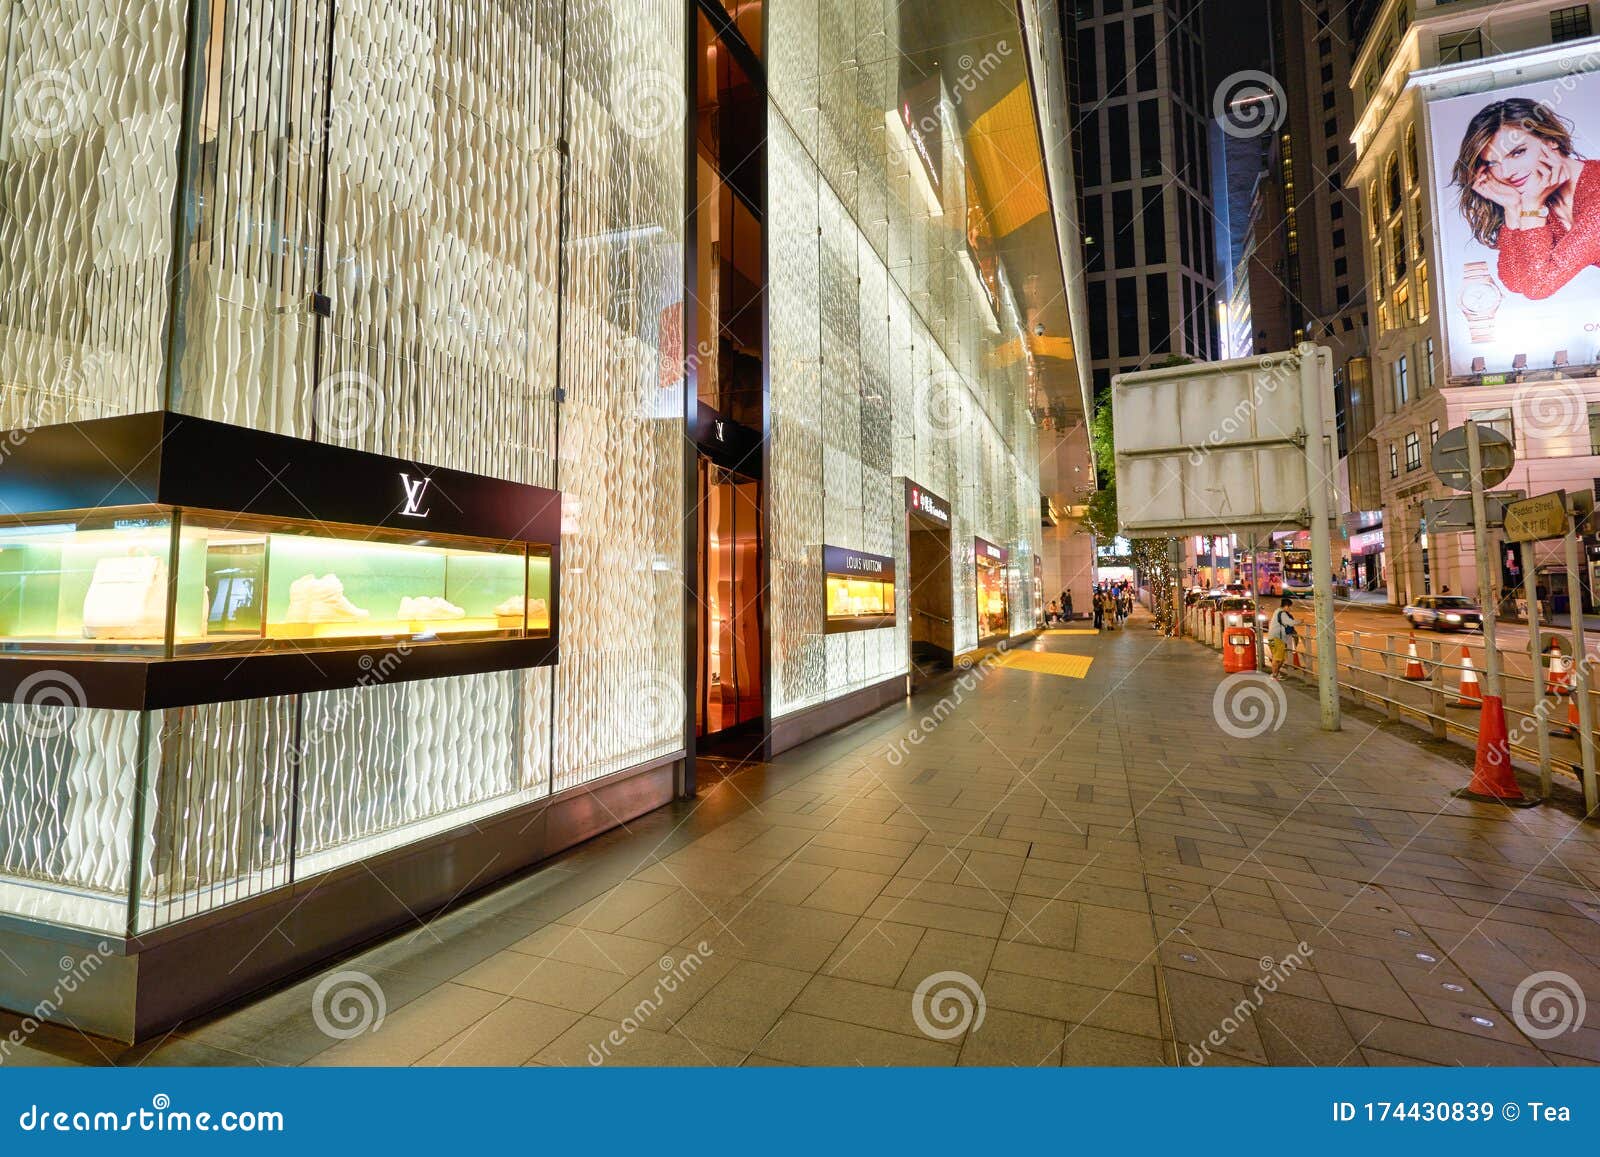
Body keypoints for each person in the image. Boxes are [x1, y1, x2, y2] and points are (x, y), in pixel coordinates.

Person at [1452, 98, 1600, 301]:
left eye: (1518, 152)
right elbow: (1515, 282)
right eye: (1493, 163)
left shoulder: (1596, 194)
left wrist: (1530, 207)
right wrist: (1513, 209)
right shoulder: (1542, 196)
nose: (1506, 172)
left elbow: (1538, 286)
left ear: (1551, 140)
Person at [1267, 597, 1297, 680]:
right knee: (1278, 659)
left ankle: (1276, 674)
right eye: (1290, 607)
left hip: (1272, 638)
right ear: (1286, 606)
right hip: (1277, 638)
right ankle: (1274, 675)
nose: (1290, 609)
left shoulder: (1276, 611)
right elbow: (1290, 622)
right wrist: (1300, 621)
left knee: (1279, 658)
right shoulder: (1282, 613)